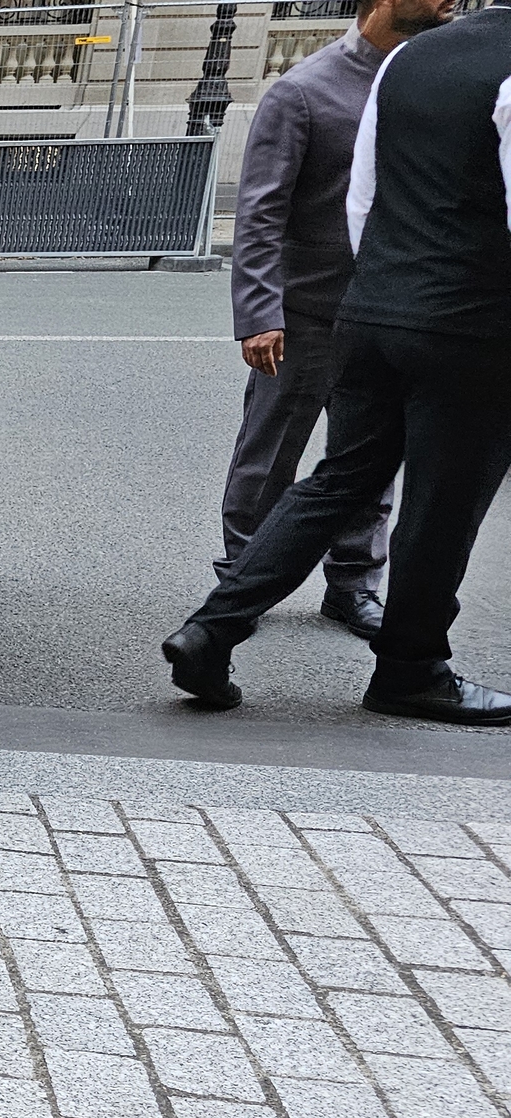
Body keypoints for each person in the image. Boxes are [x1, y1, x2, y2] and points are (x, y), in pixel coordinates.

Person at [163, 0, 511, 725]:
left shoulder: (410, 63)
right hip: (461, 320)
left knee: (341, 478)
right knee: (437, 502)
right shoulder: (316, 86)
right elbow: (262, 209)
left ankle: (214, 626)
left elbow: (363, 199)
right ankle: (412, 669)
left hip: (371, 304)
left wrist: (381, 286)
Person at [222, 0, 451, 639]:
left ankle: (353, 585)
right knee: (270, 455)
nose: (450, 2)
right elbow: (260, 212)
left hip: (387, 312)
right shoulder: (302, 92)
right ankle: (242, 575)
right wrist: (260, 313)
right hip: (303, 317)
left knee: (369, 457)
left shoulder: (430, 79)